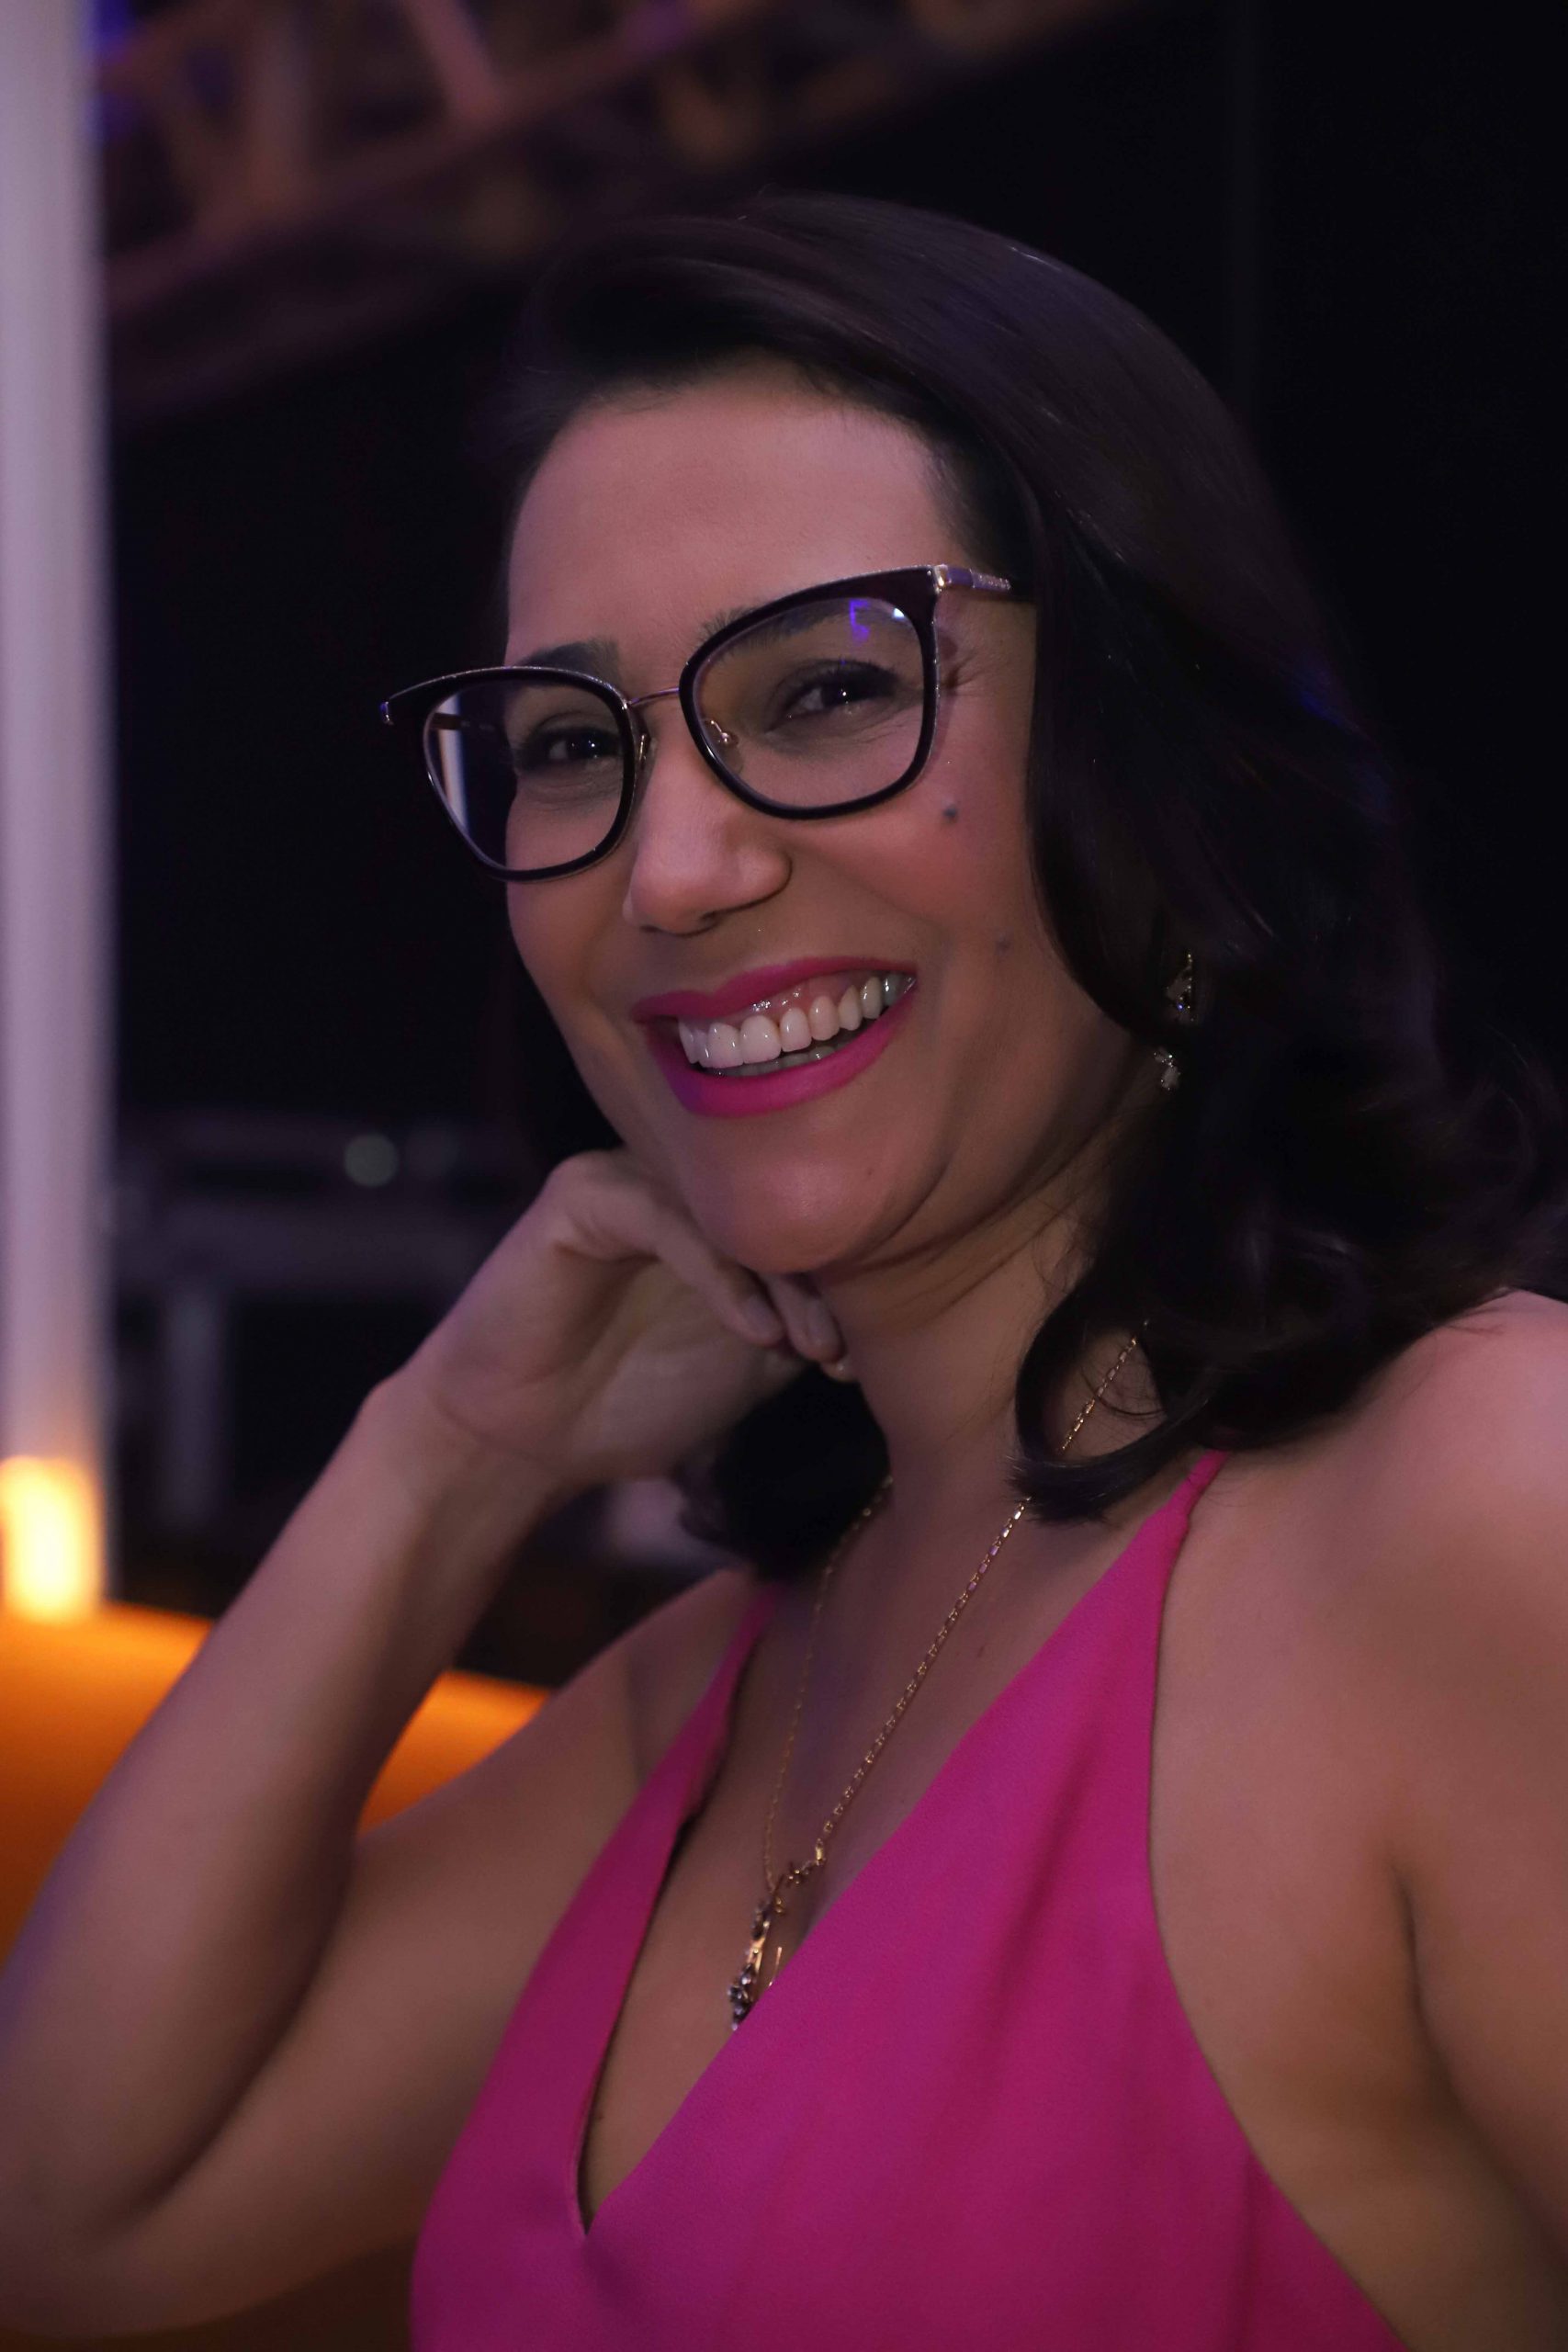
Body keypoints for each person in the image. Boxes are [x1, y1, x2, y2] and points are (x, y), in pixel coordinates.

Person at [1, 194, 1565, 2350]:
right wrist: (446, 1452)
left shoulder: (1473, 1509)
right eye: (572, 743)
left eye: (826, 689)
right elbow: (73, 2208)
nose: (670, 868)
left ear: (1160, 762)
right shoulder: (728, 1680)